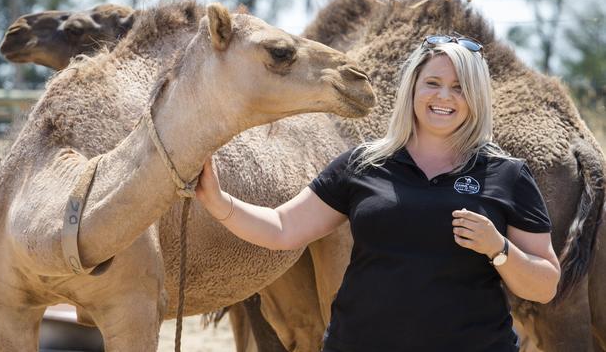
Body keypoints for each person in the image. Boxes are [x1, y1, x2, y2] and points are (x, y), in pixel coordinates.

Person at [195, 34, 561, 352]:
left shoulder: (506, 175)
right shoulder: (364, 163)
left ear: (476, 97)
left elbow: (544, 285)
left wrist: (498, 248)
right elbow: (282, 228)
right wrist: (218, 202)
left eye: (459, 87)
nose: (444, 97)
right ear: (412, 88)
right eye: (432, 82)